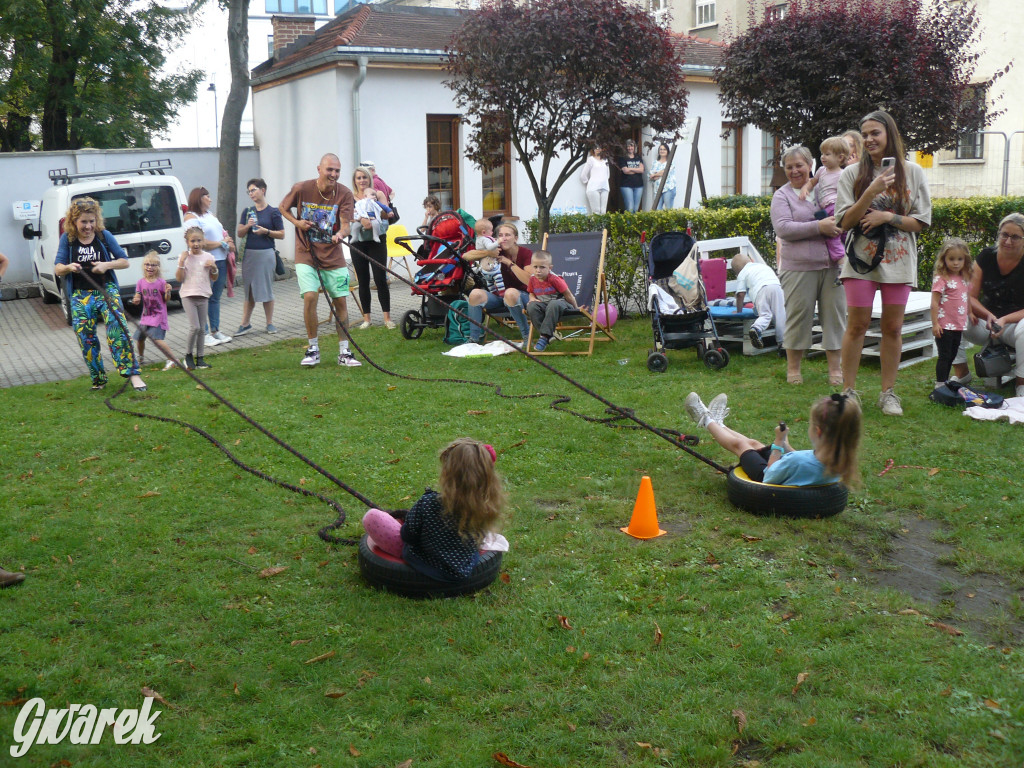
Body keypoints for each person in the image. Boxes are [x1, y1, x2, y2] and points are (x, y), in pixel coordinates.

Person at [836, 110, 932, 416]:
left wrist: (887, 216)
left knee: (893, 327)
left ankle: (888, 393)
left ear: (890, 134)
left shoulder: (913, 172)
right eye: (864, 134)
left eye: (875, 133)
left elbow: (921, 221)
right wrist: (870, 192)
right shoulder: (851, 174)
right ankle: (848, 391)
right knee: (857, 326)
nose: (869, 139)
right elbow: (845, 221)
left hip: (900, 262)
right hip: (860, 262)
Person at [361, 438, 507, 582]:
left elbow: (408, 535)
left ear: (447, 474)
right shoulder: (485, 506)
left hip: (424, 562)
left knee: (373, 517)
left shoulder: (429, 503)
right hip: (463, 565)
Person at [53, 197, 146, 392]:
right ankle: (98, 379)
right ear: (74, 221)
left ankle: (133, 374)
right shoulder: (67, 240)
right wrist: (69, 267)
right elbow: (58, 268)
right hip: (80, 295)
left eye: (91, 221)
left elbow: (124, 261)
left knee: (117, 329)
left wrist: (106, 265)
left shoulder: (104, 236)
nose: (88, 226)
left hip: (106, 290)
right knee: (85, 337)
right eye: (83, 222)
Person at [770, 145, 846, 386]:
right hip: (798, 268)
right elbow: (783, 228)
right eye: (789, 167)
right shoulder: (782, 195)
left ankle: (835, 370)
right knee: (798, 318)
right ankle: (794, 369)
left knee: (834, 318)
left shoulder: (826, 186)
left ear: (810, 164)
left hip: (833, 266)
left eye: (799, 165)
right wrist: (818, 227)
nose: (794, 171)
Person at [279, 153, 359, 367]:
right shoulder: (302, 188)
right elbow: (282, 208)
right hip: (306, 253)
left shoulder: (344, 193)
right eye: (329, 169)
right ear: (319, 169)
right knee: (310, 297)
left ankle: (344, 352)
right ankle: (312, 348)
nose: (333, 174)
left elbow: (345, 224)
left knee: (340, 301)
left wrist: (340, 234)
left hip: (333, 256)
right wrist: (297, 223)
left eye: (337, 170)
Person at [684, 392, 861, 488]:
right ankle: (719, 423)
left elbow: (769, 476)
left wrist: (778, 442)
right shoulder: (839, 460)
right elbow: (804, 458)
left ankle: (706, 419)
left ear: (818, 431)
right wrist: (785, 444)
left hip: (765, 477)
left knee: (742, 445)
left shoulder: (797, 462)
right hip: (787, 470)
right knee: (754, 443)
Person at [951, 212, 1024, 397]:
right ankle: (962, 374)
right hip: (986, 322)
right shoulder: (986, 256)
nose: (1008, 241)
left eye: (1015, 236)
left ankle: (1021, 384)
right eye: (1004, 234)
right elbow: (971, 296)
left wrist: (1004, 320)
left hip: (1014, 326)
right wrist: (989, 316)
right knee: (952, 312)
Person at [464, 222, 532, 344]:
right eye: (500, 235)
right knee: (474, 294)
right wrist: (488, 253)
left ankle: (527, 337)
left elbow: (529, 280)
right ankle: (474, 339)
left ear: (516, 238)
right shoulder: (496, 251)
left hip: (523, 296)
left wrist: (509, 263)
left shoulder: (526, 253)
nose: (503, 238)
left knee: (510, 293)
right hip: (499, 296)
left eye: (507, 235)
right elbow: (466, 256)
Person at [183, 187, 234, 347]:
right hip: (203, 263)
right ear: (199, 198)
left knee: (215, 297)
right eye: (207, 196)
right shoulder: (191, 217)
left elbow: (223, 233)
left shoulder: (210, 215)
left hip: (219, 260)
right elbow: (199, 242)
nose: (210, 200)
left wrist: (227, 242)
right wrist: (222, 243)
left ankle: (215, 330)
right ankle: (203, 333)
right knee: (203, 297)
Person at [235, 178, 284, 336]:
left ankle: (269, 323)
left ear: (263, 190)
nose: (251, 193)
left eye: (253, 190)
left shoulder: (273, 212)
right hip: (250, 255)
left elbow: (282, 234)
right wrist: (248, 225)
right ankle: (245, 323)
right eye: (249, 191)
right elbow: (239, 233)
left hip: (266, 253)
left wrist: (266, 232)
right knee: (249, 290)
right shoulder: (247, 211)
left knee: (266, 289)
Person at [349, 166, 395, 330]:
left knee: (380, 277)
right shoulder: (350, 196)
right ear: (354, 181)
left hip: (377, 240)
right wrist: (361, 218)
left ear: (369, 178)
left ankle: (387, 318)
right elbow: (346, 216)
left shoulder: (378, 194)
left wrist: (372, 207)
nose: (361, 181)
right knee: (362, 280)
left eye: (364, 177)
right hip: (358, 241)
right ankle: (367, 318)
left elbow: (386, 214)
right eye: (358, 178)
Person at [930, 238, 974, 389]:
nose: (956, 263)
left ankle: (945, 381)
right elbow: (934, 302)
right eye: (952, 259)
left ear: (965, 260)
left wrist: (970, 313)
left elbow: (966, 297)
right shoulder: (942, 278)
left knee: (953, 354)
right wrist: (935, 323)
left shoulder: (964, 278)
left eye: (960, 259)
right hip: (944, 324)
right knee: (945, 355)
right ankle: (940, 384)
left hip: (958, 324)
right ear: (944, 259)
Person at [799, 136, 849, 264]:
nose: (823, 157)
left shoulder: (843, 174)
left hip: (836, 206)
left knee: (832, 234)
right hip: (825, 208)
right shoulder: (821, 170)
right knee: (837, 232)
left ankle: (840, 260)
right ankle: (845, 256)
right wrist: (805, 189)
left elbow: (847, 192)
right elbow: (812, 182)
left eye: (827, 154)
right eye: (822, 154)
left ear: (840, 158)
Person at [176, 225, 219, 370]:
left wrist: (214, 268)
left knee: (202, 329)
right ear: (187, 242)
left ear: (203, 242)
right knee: (195, 327)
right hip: (188, 295)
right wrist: (181, 263)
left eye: (199, 241)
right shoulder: (185, 257)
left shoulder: (208, 257)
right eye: (193, 241)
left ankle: (200, 358)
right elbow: (179, 279)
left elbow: (214, 277)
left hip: (203, 295)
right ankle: (188, 355)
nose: (196, 244)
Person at [131, 251, 180, 371]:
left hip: (158, 316)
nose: (150, 267)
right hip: (146, 316)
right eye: (147, 264)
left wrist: (168, 292)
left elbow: (166, 300)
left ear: (158, 267)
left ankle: (173, 360)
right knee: (140, 338)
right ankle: (141, 357)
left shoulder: (161, 283)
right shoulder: (141, 282)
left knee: (157, 339)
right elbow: (137, 295)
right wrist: (136, 299)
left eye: (153, 265)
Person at [526, 250, 580, 351]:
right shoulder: (532, 279)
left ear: (550, 268)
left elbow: (568, 295)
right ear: (531, 266)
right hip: (544, 305)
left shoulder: (555, 279)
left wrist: (576, 308)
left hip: (561, 304)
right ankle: (548, 336)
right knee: (531, 306)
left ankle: (544, 337)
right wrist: (532, 298)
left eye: (542, 267)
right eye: (535, 267)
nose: (538, 270)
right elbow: (531, 292)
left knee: (553, 303)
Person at [731, 253, 786, 350]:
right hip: (776, 287)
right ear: (750, 261)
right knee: (780, 316)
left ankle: (756, 328)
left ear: (737, 271)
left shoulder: (742, 273)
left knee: (765, 315)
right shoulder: (763, 266)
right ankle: (783, 344)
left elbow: (740, 294)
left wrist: (739, 310)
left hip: (760, 291)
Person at [580, 147, 611, 214]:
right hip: (594, 188)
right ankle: (595, 225)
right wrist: (589, 183)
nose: (598, 149)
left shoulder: (605, 160)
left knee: (603, 211)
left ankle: (602, 225)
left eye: (600, 148)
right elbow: (583, 175)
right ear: (593, 149)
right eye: (596, 148)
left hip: (605, 187)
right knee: (596, 211)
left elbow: (608, 174)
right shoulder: (591, 159)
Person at [617, 140, 645, 212]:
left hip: (639, 186)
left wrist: (630, 169)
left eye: (631, 146)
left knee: (635, 209)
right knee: (630, 208)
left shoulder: (638, 157)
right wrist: (636, 169)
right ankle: (628, 223)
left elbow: (642, 170)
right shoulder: (622, 158)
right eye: (628, 146)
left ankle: (633, 223)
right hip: (626, 186)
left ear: (634, 147)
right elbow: (625, 171)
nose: (630, 148)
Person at [648, 142, 677, 210]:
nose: (662, 151)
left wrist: (655, 174)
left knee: (668, 210)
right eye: (660, 149)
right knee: (657, 210)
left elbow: (664, 172)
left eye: (664, 149)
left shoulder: (670, 162)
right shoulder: (655, 163)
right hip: (657, 189)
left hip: (668, 188)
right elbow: (650, 176)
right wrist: (656, 174)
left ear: (667, 151)